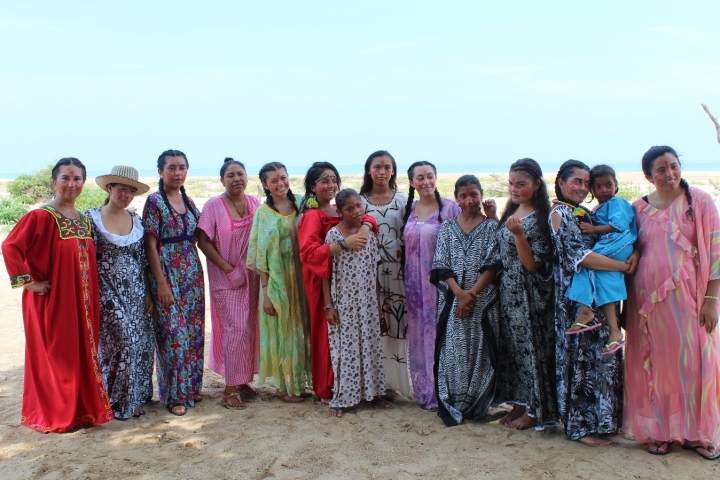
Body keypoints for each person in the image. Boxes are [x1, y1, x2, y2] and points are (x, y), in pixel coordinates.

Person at [2, 158, 113, 432]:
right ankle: (57, 414)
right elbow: (10, 246)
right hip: (52, 302)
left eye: (77, 179)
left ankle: (81, 412)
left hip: (82, 302)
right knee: (58, 355)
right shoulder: (41, 216)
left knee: (82, 354)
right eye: (65, 178)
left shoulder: (84, 220)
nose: (71, 184)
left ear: (83, 183)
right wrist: (30, 283)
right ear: (54, 182)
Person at [624, 146, 720, 459]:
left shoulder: (701, 201)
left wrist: (711, 300)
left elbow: (717, 253)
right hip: (648, 302)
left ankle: (697, 434)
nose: (670, 174)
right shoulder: (636, 208)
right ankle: (663, 431)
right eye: (661, 170)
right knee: (659, 366)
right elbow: (628, 251)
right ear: (648, 176)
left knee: (695, 363)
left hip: (692, 298)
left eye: (673, 166)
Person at [549, 160, 631, 446]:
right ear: (560, 182)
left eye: (587, 183)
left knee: (602, 358)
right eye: (577, 182)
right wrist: (622, 267)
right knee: (583, 363)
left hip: (598, 295)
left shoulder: (581, 212)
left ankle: (603, 423)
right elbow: (579, 258)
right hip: (577, 301)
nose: (583, 188)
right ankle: (580, 428)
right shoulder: (560, 213)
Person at [297, 162, 376, 402]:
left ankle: (351, 384)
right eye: (324, 180)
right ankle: (328, 387)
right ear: (313, 186)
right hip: (322, 279)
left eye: (334, 180)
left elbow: (367, 215)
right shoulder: (313, 216)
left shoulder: (337, 209)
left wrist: (364, 226)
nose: (331, 185)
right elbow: (308, 253)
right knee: (326, 334)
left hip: (348, 280)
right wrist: (343, 244)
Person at [493, 158, 558, 430]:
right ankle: (520, 404)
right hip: (509, 295)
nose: (514, 188)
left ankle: (536, 411)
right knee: (515, 353)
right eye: (511, 183)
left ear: (536, 185)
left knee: (533, 352)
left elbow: (533, 265)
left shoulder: (542, 218)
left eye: (521, 184)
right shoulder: (513, 211)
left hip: (530, 298)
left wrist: (520, 235)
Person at [430, 175, 500, 426]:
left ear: (481, 195)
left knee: (480, 348)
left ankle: (477, 404)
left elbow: (493, 265)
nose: (469, 200)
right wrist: (460, 294)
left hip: (482, 303)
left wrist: (472, 296)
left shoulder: (491, 227)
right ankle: (455, 401)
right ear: (457, 198)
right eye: (463, 195)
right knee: (454, 348)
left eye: (474, 194)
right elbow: (441, 265)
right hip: (453, 301)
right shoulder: (448, 227)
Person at [87, 165, 154, 420]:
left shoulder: (136, 221)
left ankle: (133, 398)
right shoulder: (91, 218)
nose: (125, 194)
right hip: (106, 293)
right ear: (110, 188)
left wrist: (149, 293)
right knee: (121, 344)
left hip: (137, 294)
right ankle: (118, 402)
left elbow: (143, 261)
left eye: (130, 191)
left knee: (139, 346)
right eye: (121, 189)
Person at [143, 149, 205, 416]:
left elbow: (202, 236)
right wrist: (160, 283)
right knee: (173, 337)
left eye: (182, 167)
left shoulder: (189, 201)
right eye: (171, 167)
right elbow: (150, 244)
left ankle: (191, 388)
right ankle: (175, 395)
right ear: (160, 171)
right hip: (167, 275)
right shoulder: (154, 202)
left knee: (193, 335)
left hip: (192, 275)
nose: (177, 172)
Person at [197, 158, 261, 410]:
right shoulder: (214, 205)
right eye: (230, 175)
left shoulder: (254, 202)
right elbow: (203, 241)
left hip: (252, 277)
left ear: (247, 177)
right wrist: (227, 268)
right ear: (223, 180)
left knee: (250, 328)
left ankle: (243, 379)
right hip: (226, 278)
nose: (237, 179)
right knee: (235, 331)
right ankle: (230, 389)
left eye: (241, 174)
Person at [247, 162, 311, 403]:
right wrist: (266, 292)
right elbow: (259, 257)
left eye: (283, 178)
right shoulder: (263, 213)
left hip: (301, 278)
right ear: (265, 185)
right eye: (273, 181)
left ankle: (296, 383)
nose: (280, 183)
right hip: (277, 281)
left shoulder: (301, 204)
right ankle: (285, 388)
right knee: (283, 332)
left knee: (299, 330)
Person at [322, 189, 390, 418]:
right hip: (344, 302)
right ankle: (343, 398)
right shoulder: (334, 236)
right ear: (338, 211)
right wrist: (328, 305)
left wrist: (379, 308)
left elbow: (374, 271)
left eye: (358, 206)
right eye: (349, 208)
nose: (356, 211)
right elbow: (325, 274)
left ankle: (375, 393)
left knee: (371, 346)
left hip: (368, 302)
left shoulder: (369, 234)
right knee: (346, 350)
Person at [402, 161, 460, 410]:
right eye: (420, 178)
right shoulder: (409, 209)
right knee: (419, 337)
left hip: (440, 286)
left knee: (441, 336)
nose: (426, 182)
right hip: (414, 287)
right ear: (412, 182)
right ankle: (426, 390)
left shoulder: (449, 207)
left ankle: (446, 390)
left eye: (430, 176)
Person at [565, 165, 637, 354]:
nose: (604, 190)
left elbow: (618, 225)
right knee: (603, 277)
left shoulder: (617, 202)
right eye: (598, 186)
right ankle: (615, 332)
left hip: (618, 243)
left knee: (585, 262)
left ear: (616, 185)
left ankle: (585, 308)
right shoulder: (599, 207)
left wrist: (594, 229)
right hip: (614, 244)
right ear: (592, 190)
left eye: (608, 185)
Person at [359, 150, 410, 399]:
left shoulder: (402, 200)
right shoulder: (360, 202)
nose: (382, 171)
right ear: (369, 170)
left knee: (396, 324)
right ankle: (375, 383)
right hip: (368, 274)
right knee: (373, 324)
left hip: (398, 274)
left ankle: (394, 382)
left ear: (393, 171)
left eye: (387, 167)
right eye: (377, 167)